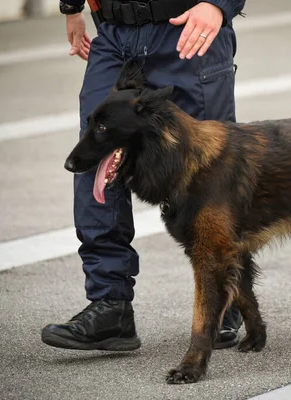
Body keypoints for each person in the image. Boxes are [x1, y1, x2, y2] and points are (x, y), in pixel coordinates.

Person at [41, 0, 246, 352]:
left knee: (209, 172)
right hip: (114, 32)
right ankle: (110, 306)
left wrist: (219, 5)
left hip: (186, 28)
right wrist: (72, 7)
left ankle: (225, 299)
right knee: (98, 156)